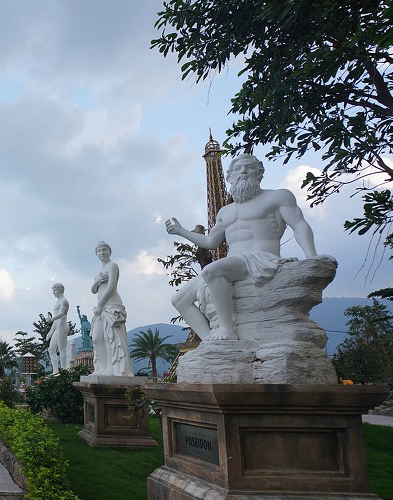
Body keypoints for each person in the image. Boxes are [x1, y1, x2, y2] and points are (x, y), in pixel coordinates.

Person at [165, 152, 330, 341]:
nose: (243, 171)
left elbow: (299, 225)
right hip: (233, 263)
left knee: (211, 271)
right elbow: (211, 242)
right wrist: (181, 231)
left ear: (259, 174)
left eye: (249, 167)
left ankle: (227, 330)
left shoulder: (277, 197)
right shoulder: (225, 211)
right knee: (179, 300)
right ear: (230, 177)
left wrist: (312, 256)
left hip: (261, 258)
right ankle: (209, 341)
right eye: (238, 168)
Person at [90, 241, 134, 377]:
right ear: (96, 254)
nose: (102, 252)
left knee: (110, 338)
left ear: (110, 251)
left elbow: (111, 287)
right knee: (97, 338)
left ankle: (112, 368)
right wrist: (97, 281)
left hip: (111, 304)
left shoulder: (113, 265)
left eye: (104, 250)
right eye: (99, 251)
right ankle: (101, 368)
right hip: (100, 308)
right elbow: (93, 290)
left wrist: (100, 304)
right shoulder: (99, 271)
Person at [47, 283, 70, 374]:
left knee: (62, 348)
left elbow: (61, 313)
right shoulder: (58, 302)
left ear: (60, 290)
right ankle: (55, 371)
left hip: (62, 324)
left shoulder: (64, 301)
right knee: (51, 349)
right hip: (57, 325)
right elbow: (57, 320)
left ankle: (64, 370)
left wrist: (52, 319)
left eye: (55, 290)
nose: (53, 292)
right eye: (53, 290)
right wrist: (51, 331)